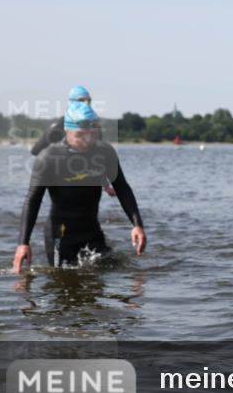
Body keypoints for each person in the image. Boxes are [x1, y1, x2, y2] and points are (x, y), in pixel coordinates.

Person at [13, 102, 146, 272]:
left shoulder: (105, 152)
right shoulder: (49, 158)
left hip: (92, 232)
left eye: (93, 134)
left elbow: (122, 188)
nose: (88, 139)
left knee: (103, 281)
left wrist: (137, 225)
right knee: (62, 285)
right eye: (81, 134)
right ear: (66, 130)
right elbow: (33, 199)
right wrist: (23, 243)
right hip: (60, 236)